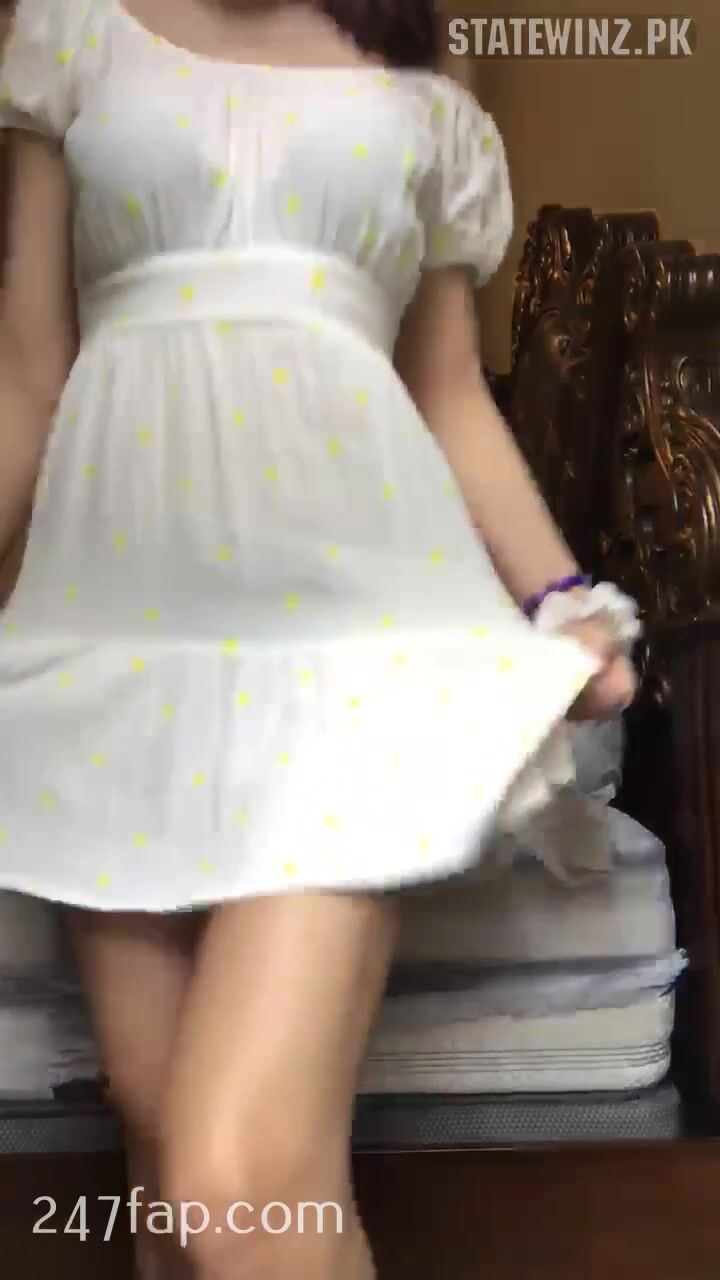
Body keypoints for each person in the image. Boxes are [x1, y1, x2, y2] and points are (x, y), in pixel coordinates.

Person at [0, 1, 637, 1277]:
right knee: (175, 1183)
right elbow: (27, 373)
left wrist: (562, 593)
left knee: (231, 1198)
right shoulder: (68, 25)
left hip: (356, 644)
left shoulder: (428, 51)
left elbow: (444, 385)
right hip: (116, 638)